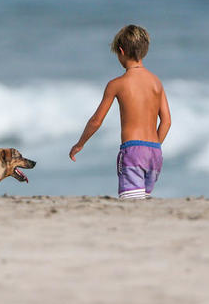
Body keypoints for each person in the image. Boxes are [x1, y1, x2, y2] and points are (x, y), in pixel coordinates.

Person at [69, 24, 171, 199]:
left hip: (133, 150)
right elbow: (166, 121)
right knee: (143, 199)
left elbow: (96, 121)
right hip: (154, 152)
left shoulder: (117, 84)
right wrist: (154, 146)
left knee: (131, 201)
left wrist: (80, 144)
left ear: (121, 51)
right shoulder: (156, 82)